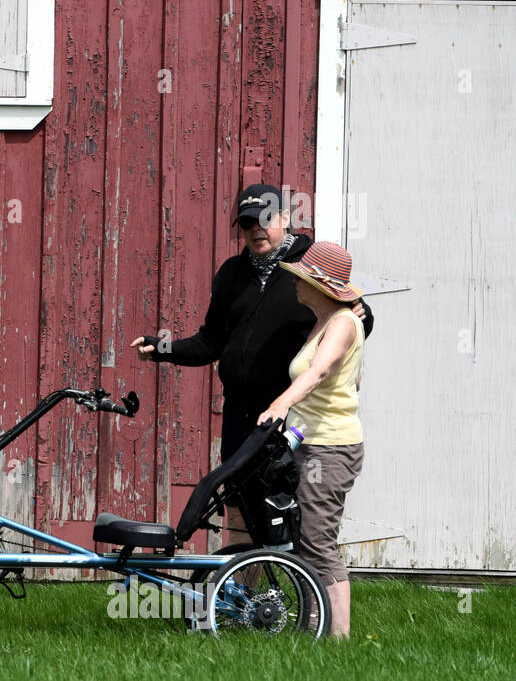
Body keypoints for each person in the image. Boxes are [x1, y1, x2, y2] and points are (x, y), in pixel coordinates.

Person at [129, 184, 374, 545]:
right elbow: (210, 342)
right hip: (241, 417)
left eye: (265, 219)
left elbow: (352, 317)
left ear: (286, 218)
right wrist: (162, 347)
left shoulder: (309, 266)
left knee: (284, 514)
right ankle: (245, 597)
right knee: (239, 509)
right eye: (246, 224)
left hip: (286, 417)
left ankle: (294, 591)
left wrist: (365, 314)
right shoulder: (231, 274)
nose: (256, 229)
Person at [256, 242, 365, 639]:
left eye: (301, 277)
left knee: (318, 541)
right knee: (305, 540)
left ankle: (339, 639)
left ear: (320, 285)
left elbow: (319, 373)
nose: (295, 283)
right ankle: (317, 625)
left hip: (330, 448)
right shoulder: (325, 321)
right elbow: (352, 381)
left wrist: (280, 405)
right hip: (311, 442)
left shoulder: (341, 323)